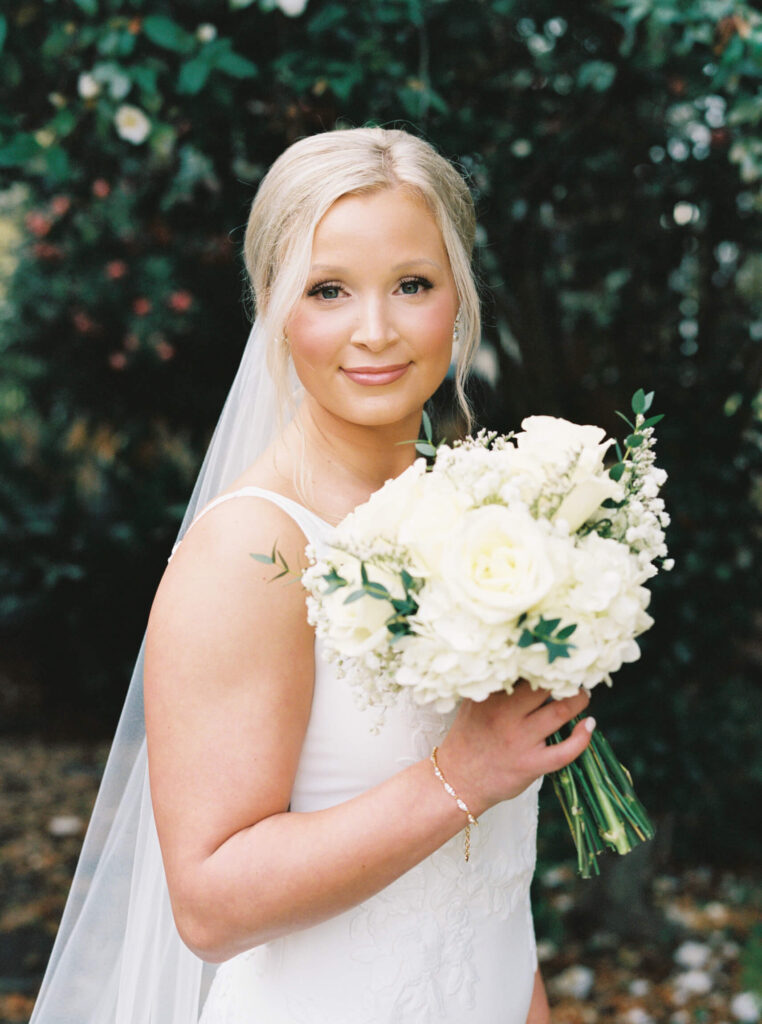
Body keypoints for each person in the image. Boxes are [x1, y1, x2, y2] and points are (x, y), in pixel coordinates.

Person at [30, 127, 594, 1024]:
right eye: (328, 290)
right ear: (273, 304)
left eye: (412, 285)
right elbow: (209, 906)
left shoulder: (483, 517)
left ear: (459, 297)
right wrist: (460, 774)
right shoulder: (253, 552)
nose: (375, 332)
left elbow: (486, 889)